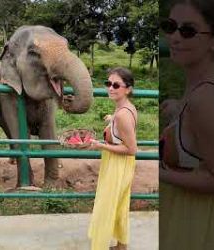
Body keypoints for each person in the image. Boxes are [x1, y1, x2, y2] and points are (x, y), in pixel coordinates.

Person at [159, 0, 214, 249]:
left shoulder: (204, 99)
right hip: (200, 218)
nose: (175, 37)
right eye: (170, 26)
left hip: (189, 224)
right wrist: (178, 109)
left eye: (188, 31)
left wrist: (159, 174)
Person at [87, 67, 138, 250]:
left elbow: (132, 149)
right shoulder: (126, 109)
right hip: (122, 165)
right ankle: (121, 246)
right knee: (119, 206)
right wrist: (112, 119)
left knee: (106, 208)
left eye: (116, 85)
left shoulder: (123, 115)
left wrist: (101, 145)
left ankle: (101, 246)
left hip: (117, 164)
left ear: (128, 89)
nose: (111, 88)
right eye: (108, 83)